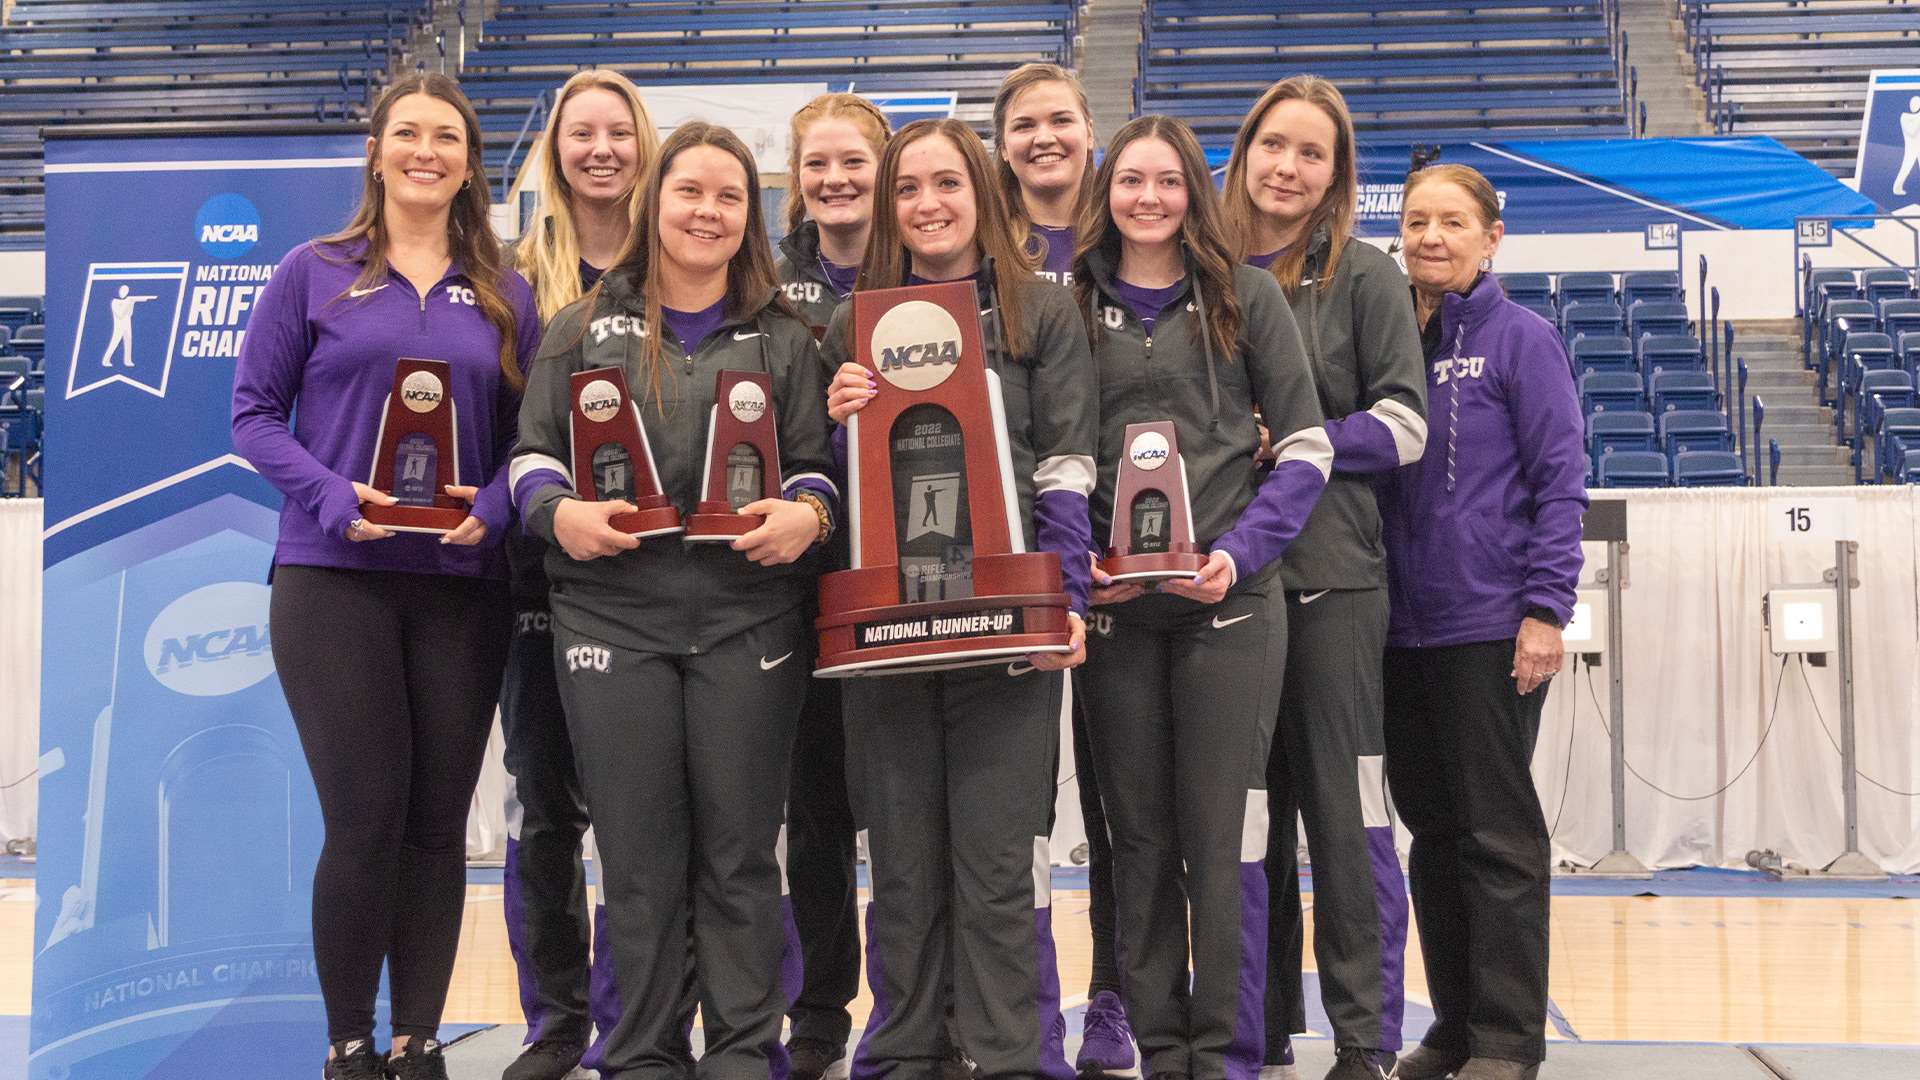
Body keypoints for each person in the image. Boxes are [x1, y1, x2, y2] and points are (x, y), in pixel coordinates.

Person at [508, 120, 836, 1080]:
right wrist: (557, 513)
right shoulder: (578, 328)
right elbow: (530, 456)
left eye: (730, 197)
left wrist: (806, 519)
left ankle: (742, 1052)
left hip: (750, 622)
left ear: (753, 217)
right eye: (691, 191)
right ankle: (644, 1052)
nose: (708, 211)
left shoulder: (785, 340)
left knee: (739, 855)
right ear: (655, 203)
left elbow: (821, 472)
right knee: (639, 857)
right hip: (610, 621)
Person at [230, 73, 538, 1080]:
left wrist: (492, 505)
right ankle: (349, 1045)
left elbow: (535, 440)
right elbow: (253, 416)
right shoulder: (311, 273)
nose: (426, 149)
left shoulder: (506, 293)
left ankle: (419, 1042)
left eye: (446, 136)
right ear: (376, 151)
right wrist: (329, 496)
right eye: (407, 132)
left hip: (462, 585)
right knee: (364, 814)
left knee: (437, 821)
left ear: (467, 160)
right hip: (334, 578)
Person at [819, 117, 1095, 1080]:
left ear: (984, 190)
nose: (927, 204)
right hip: (886, 632)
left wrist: (1069, 600)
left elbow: (1066, 467)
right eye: (908, 188)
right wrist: (839, 411)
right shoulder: (848, 325)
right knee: (900, 855)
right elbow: (821, 482)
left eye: (947, 183)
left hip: (1007, 622)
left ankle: (1005, 1051)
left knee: (994, 859)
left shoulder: (1040, 314)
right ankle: (903, 1048)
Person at [1071, 113, 1329, 1080]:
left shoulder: (1246, 296)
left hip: (1228, 603)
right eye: (1131, 180)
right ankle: (1159, 1045)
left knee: (1218, 840)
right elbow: (1055, 453)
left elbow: (1304, 448)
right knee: (1137, 838)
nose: (1149, 198)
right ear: (1109, 192)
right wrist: (1077, 559)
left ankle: (1216, 1049)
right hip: (1112, 611)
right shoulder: (1067, 305)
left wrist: (1238, 553)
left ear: (1195, 194)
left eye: (1169, 182)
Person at [1220, 76, 1427, 1080]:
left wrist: (1295, 443)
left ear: (1336, 175)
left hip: (1337, 585)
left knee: (1348, 818)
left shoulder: (1367, 277)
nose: (1288, 168)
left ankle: (1365, 1039)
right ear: (1243, 151)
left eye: (1313, 153)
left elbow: (1405, 424)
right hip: (1230, 592)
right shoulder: (1200, 273)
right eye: (1275, 145)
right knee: (1249, 818)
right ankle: (1253, 1031)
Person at [1381, 164, 1587, 1080]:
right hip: (1399, 633)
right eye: (1418, 220)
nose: (1432, 237)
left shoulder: (1523, 340)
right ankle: (1455, 1028)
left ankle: (1509, 1040)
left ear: (1492, 236)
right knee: (1431, 831)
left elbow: (1560, 486)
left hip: (1490, 625)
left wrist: (1546, 609)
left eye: (1452, 222)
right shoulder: (1388, 344)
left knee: (1498, 836)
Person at [500, 68, 659, 1080]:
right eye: (579, 132)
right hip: (536, 580)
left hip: (660, 582)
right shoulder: (512, 276)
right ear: (554, 149)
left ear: (644, 142)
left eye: (617, 131)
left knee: (650, 813)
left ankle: (641, 1015)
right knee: (546, 806)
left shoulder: (682, 263)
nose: (599, 149)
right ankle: (557, 1020)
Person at [992, 61, 1139, 1079]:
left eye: (1061, 120)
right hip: (1023, 556)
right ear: (1002, 143)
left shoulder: (1138, 235)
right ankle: (1029, 1008)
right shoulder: (983, 253)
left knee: (1124, 806)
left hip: (1135, 563)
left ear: (1090, 132)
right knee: (1024, 809)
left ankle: (1116, 1002)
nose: (1045, 137)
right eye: (1025, 124)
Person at [771, 91, 890, 1080]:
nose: (837, 180)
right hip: (798, 583)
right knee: (813, 816)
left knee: (902, 813)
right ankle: (818, 1009)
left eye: (854, 162)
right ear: (795, 178)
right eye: (818, 165)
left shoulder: (924, 273)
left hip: (910, 578)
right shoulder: (763, 284)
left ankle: (907, 1002)